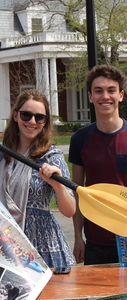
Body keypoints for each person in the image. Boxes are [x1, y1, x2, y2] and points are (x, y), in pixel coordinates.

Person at [0, 89, 76, 268]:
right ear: (15, 116)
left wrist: (57, 186)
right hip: (7, 241)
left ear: (45, 122)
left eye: (39, 117)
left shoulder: (52, 156)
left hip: (43, 247)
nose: (32, 122)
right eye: (26, 115)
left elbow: (69, 210)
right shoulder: (3, 150)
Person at [69, 64, 127, 265]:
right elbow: (77, 191)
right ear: (90, 97)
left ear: (120, 95)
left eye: (111, 90)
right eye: (98, 91)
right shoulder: (80, 139)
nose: (105, 96)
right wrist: (78, 236)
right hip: (95, 243)